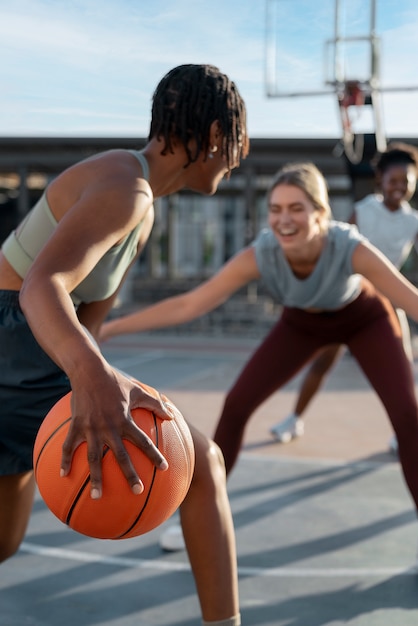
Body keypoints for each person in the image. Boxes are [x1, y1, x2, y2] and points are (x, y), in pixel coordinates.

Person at [0, 63, 249, 626]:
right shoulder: (127, 188)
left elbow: (88, 326)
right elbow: (41, 287)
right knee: (202, 461)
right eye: (236, 144)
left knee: (4, 541)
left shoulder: (141, 204)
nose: (237, 160)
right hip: (14, 337)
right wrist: (93, 376)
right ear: (214, 136)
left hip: (34, 349)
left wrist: (99, 374)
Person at [100, 161, 418, 562]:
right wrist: (111, 329)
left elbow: (410, 300)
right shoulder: (263, 253)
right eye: (276, 209)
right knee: (236, 405)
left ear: (321, 212)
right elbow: (190, 304)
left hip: (364, 318)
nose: (284, 219)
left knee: (408, 418)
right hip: (301, 322)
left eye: (297, 208)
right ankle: (194, 517)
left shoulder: (350, 247)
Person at [269, 143, 418, 448]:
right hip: (351, 300)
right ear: (381, 180)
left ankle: (402, 433)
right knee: (323, 361)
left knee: (402, 368)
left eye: (407, 182)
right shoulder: (363, 211)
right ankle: (294, 418)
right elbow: (336, 250)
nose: (399, 187)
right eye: (394, 181)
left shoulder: (413, 221)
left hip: (388, 301)